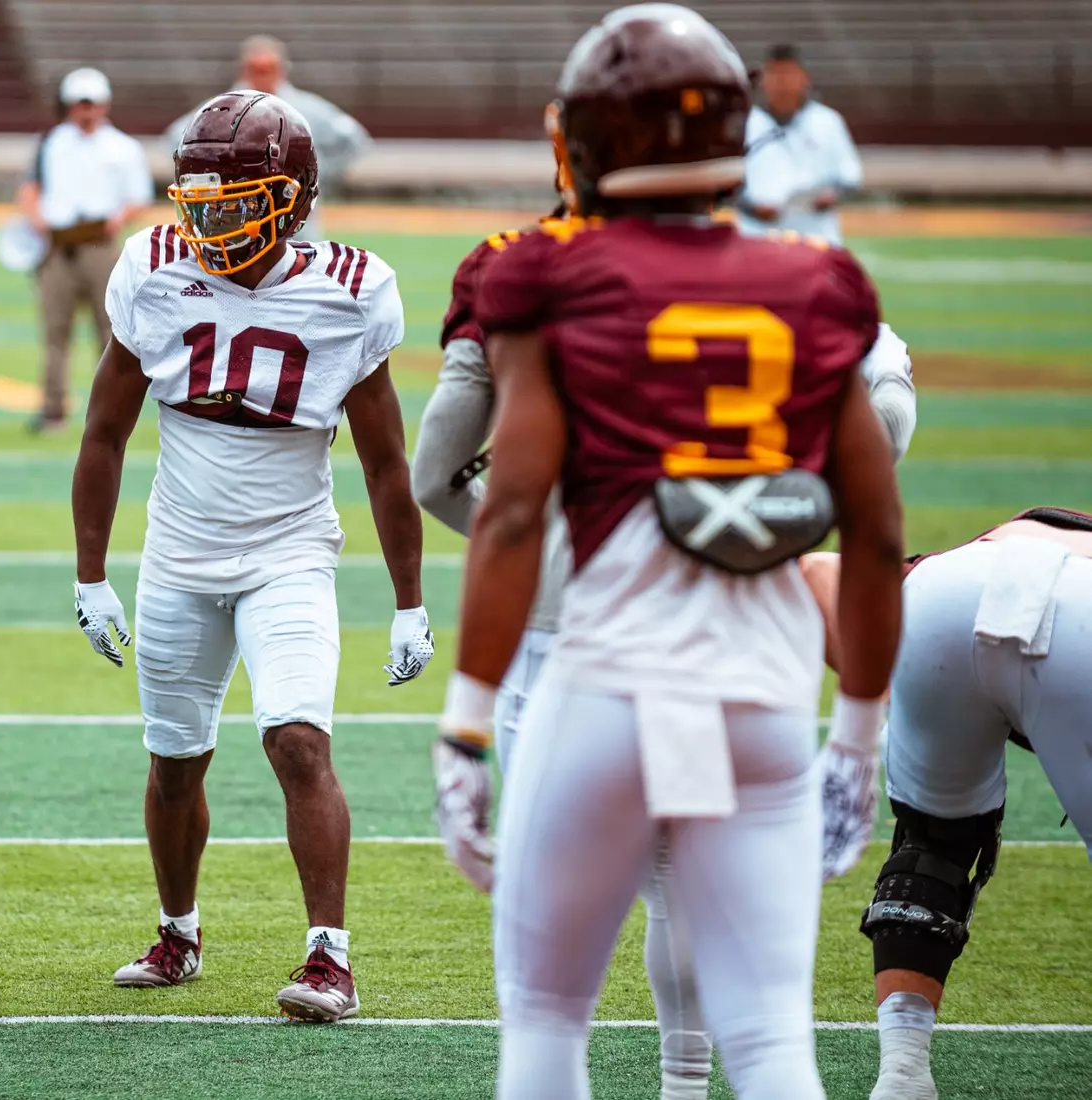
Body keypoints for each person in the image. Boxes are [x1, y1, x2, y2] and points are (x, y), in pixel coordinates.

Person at [433, 7, 905, 1098]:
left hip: (608, 684)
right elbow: (875, 532)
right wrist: (860, 738)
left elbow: (508, 512)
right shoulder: (817, 282)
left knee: (547, 1019)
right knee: (775, 1041)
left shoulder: (543, 272)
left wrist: (464, 722)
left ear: (589, 142)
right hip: (761, 704)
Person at [70, 91, 433, 1022]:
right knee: (175, 760)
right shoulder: (153, 268)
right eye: (201, 203)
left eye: (235, 202)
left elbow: (389, 463)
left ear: (294, 197)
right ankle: (179, 932)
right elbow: (104, 432)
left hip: (289, 554)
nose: (211, 222)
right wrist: (90, 574)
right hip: (180, 559)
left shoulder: (350, 288)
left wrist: (408, 600)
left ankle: (329, 959)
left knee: (297, 740)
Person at [798, 508, 1092, 1100]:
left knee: (932, 847)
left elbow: (817, 569)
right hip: (1081, 613)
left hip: (943, 598)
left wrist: (889, 698)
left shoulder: (997, 548)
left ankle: (903, 1074)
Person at [17, 67, 154, 432]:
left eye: (91, 104)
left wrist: (117, 218)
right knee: (54, 332)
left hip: (99, 245)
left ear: (105, 105)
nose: (86, 111)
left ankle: (111, 410)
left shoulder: (122, 147)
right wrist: (35, 218)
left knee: (112, 334)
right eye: (80, 104)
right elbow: (30, 186)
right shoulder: (51, 142)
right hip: (58, 246)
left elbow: (138, 197)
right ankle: (52, 409)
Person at [164, 35, 370, 239]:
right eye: (256, 70)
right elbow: (176, 136)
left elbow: (354, 138)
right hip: (236, 214)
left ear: (281, 70)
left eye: (268, 69)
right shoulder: (220, 109)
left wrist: (319, 174)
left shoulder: (306, 109)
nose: (263, 76)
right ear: (244, 69)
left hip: (294, 216)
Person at [738, 44, 862, 246]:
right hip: (759, 235)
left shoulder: (827, 121)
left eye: (788, 73)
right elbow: (728, 182)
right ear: (763, 80)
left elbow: (849, 176)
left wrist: (829, 197)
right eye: (775, 73)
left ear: (805, 78)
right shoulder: (747, 123)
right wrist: (751, 208)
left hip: (816, 236)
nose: (782, 81)